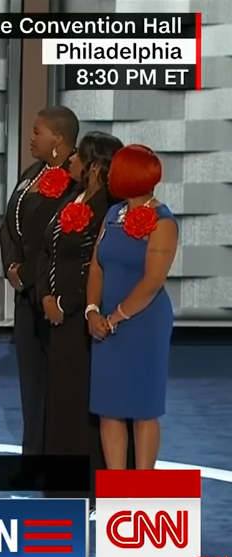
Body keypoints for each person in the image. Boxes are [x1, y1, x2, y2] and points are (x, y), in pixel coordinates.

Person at [36, 131, 123, 494]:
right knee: (60, 398)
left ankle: (85, 485)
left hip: (82, 318)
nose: (70, 160)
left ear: (96, 165)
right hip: (55, 315)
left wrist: (68, 303)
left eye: (78, 156)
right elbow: (47, 249)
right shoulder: (71, 198)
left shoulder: (108, 209)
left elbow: (95, 266)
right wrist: (44, 296)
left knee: (80, 402)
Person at [0, 106, 80, 477]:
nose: (31, 137)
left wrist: (29, 273)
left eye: (37, 131)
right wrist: (11, 267)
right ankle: (31, 458)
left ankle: (57, 460)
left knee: (56, 382)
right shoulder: (33, 173)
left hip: (50, 294)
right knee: (31, 382)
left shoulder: (74, 183)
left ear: (58, 139)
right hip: (24, 294)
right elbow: (10, 226)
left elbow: (57, 239)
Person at [87, 144, 177, 470]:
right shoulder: (113, 215)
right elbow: (97, 266)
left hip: (142, 324)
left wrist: (115, 317)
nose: (109, 175)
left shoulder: (163, 222)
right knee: (109, 408)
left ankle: (143, 492)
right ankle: (118, 494)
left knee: (142, 408)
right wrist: (92, 311)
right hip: (106, 324)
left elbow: (152, 282)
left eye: (115, 170)